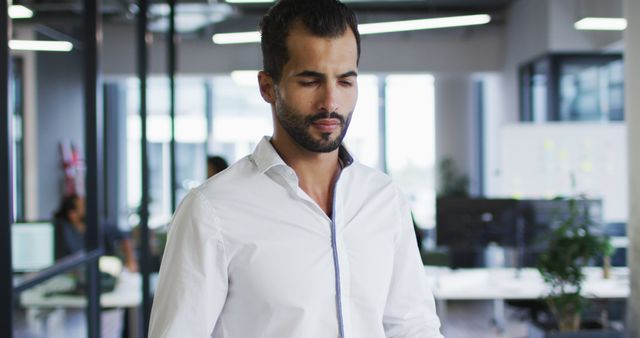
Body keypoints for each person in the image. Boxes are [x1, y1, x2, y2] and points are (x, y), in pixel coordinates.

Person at [148, 0, 443, 337]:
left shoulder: (382, 197)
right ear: (267, 87)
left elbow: (412, 325)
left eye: (345, 82)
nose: (331, 102)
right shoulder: (211, 211)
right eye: (310, 81)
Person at [53, 193, 139, 272]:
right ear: (72, 215)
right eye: (83, 207)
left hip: (105, 272)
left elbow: (124, 237)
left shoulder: (97, 224)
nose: (88, 210)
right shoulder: (63, 232)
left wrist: (131, 262)